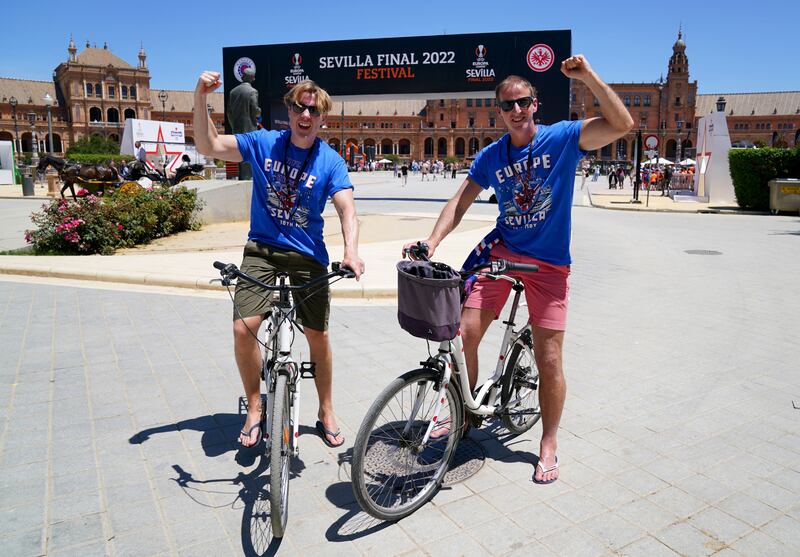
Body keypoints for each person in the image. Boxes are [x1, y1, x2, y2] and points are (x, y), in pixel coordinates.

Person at [403, 55, 632, 485]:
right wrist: (431, 242)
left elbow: (622, 125)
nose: (516, 110)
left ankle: (548, 443)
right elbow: (460, 201)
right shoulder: (492, 155)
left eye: (522, 102)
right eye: (507, 105)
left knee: (549, 359)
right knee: (462, 333)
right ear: (500, 110)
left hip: (549, 268)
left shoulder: (562, 139)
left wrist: (588, 78)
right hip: (503, 255)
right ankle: (465, 412)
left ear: (534, 104)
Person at [193, 71, 365, 449]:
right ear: (288, 110)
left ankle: (326, 409)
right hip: (262, 250)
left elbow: (347, 209)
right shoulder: (264, 143)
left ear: (322, 117)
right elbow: (208, 145)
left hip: (308, 256)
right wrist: (201, 98)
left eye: (314, 110)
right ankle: (255, 407)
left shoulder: (331, 161)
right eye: (299, 107)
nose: (306, 115)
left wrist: (350, 250)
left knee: (318, 334)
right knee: (243, 328)